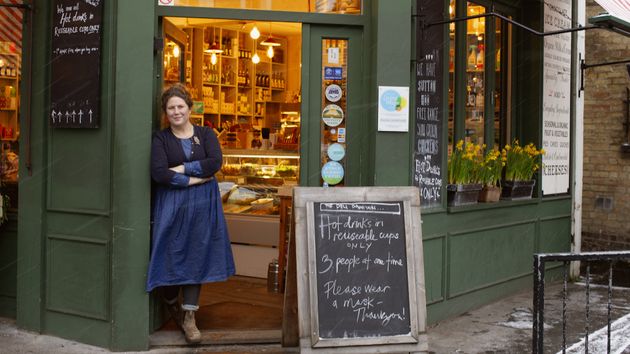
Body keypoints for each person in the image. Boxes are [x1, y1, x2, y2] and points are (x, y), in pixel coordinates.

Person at [147, 83, 235, 344]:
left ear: (189, 108)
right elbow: (159, 172)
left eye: (180, 106)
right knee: (170, 251)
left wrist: (182, 169)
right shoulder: (160, 138)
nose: (176, 112)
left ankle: (189, 318)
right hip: (173, 202)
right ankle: (171, 299)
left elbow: (215, 163)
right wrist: (193, 179)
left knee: (197, 254)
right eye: (171, 107)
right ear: (165, 111)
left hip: (202, 204)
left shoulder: (206, 134)